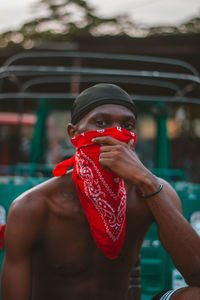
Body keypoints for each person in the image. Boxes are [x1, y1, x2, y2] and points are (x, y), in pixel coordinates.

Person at [1, 83, 200, 300]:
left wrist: (149, 184)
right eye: (101, 123)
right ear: (73, 133)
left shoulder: (153, 192)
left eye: (127, 125)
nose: (115, 134)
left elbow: (196, 275)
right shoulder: (34, 205)